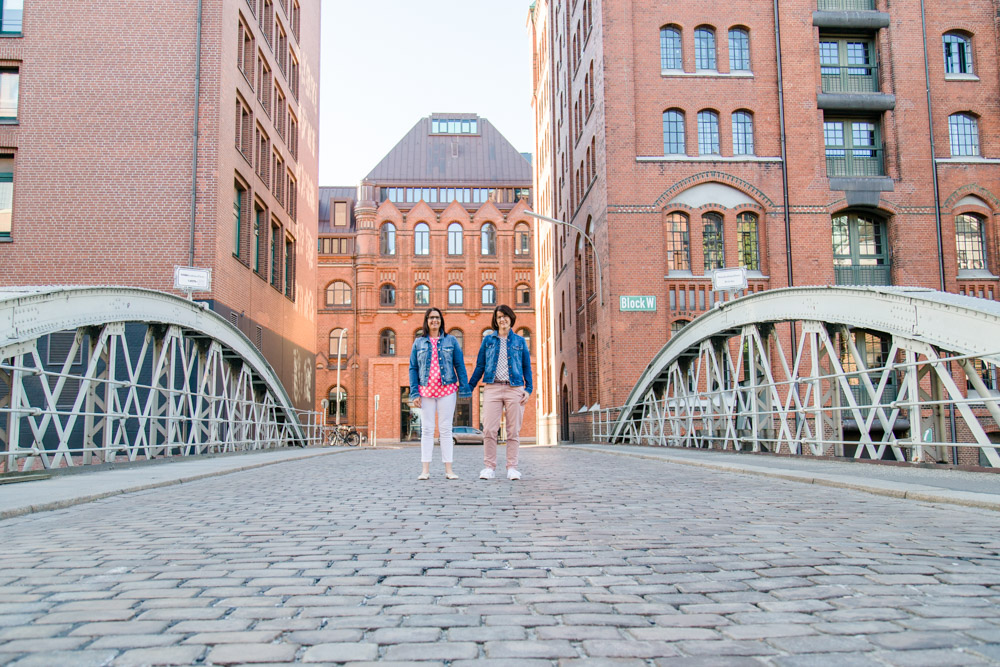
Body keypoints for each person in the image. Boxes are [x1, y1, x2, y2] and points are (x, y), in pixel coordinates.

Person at [469, 304, 532, 481]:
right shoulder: (488, 340)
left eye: (505, 316)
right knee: (489, 429)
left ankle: (512, 467)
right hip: (492, 388)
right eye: (498, 317)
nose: (502, 319)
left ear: (511, 318)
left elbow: (527, 367)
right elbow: (480, 365)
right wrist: (470, 385)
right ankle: (489, 467)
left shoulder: (520, 341)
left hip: (515, 388)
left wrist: (528, 389)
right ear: (495, 321)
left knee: (513, 431)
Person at [408, 307, 471, 480]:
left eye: (437, 318)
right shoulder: (418, 343)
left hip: (447, 390)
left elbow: (459, 365)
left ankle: (449, 470)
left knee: (445, 429)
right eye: (431, 318)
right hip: (426, 391)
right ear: (426, 321)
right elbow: (413, 368)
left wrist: (464, 387)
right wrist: (414, 393)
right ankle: (425, 470)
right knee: (427, 430)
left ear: (441, 320)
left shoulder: (451, 340)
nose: (434, 321)